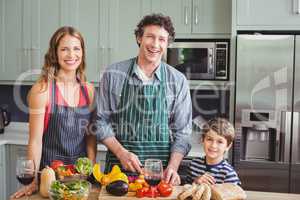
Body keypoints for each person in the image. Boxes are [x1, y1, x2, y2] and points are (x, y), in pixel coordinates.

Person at [92, 13, 192, 185]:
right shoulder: (114, 74)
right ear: (139, 38)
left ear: (167, 43)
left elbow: (182, 133)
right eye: (150, 37)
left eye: (162, 39)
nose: (155, 44)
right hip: (119, 172)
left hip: (159, 175)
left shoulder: (177, 80)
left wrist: (173, 167)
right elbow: (100, 122)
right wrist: (121, 153)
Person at [12, 26, 96, 198]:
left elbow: (90, 136)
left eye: (76, 48)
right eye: (64, 49)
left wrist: (91, 170)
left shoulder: (89, 90)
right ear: (55, 54)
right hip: (50, 177)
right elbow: (35, 141)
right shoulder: (42, 90)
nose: (71, 55)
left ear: (82, 52)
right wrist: (32, 179)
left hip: (79, 177)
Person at [186, 118, 241, 185]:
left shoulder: (229, 174)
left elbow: (235, 195)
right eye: (209, 139)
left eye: (220, 142)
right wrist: (196, 182)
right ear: (203, 140)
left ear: (228, 146)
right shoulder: (194, 165)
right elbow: (186, 189)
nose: (213, 145)